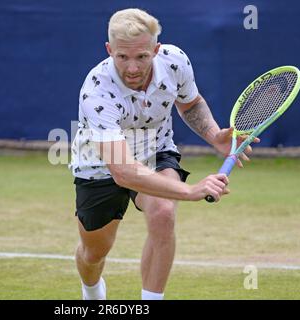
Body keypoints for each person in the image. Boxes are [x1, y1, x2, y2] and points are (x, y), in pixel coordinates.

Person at [69, 8, 258, 300]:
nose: (132, 68)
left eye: (142, 56)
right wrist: (191, 190)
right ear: (109, 50)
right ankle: (92, 291)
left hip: (155, 150)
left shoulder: (174, 61)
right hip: (100, 166)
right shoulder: (97, 91)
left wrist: (213, 135)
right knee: (94, 253)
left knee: (163, 213)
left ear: (155, 50)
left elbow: (190, 103)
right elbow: (123, 171)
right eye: (122, 57)